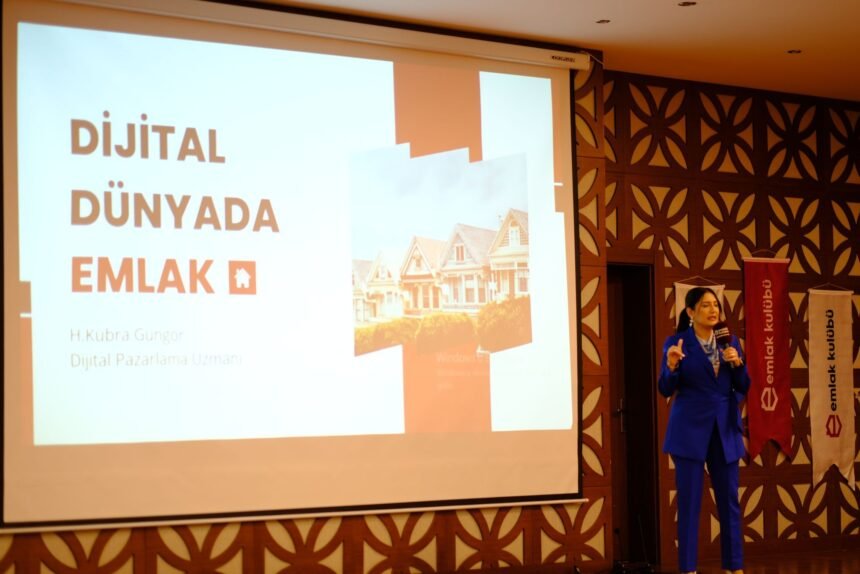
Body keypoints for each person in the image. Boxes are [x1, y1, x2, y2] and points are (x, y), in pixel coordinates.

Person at [659, 287, 750, 574]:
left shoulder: (729, 341)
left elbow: (743, 385)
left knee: (729, 501)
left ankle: (734, 566)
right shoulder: (677, 342)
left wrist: (737, 364)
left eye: (715, 305)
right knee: (689, 502)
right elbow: (665, 388)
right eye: (705, 305)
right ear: (690, 312)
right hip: (689, 430)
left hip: (724, 428)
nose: (713, 311)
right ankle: (688, 568)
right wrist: (671, 365)